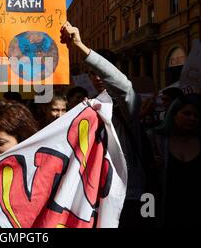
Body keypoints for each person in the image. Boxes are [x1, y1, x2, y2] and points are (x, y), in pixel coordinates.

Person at [60, 21, 149, 228]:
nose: (97, 77)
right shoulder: (86, 107)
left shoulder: (125, 107)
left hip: (132, 197)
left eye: (101, 71)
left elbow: (124, 86)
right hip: (93, 197)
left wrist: (81, 47)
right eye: (92, 72)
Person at [147, 94, 201, 227]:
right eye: (187, 113)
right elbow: (146, 187)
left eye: (196, 115)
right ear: (173, 114)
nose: (192, 118)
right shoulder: (154, 141)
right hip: (164, 218)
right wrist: (146, 218)